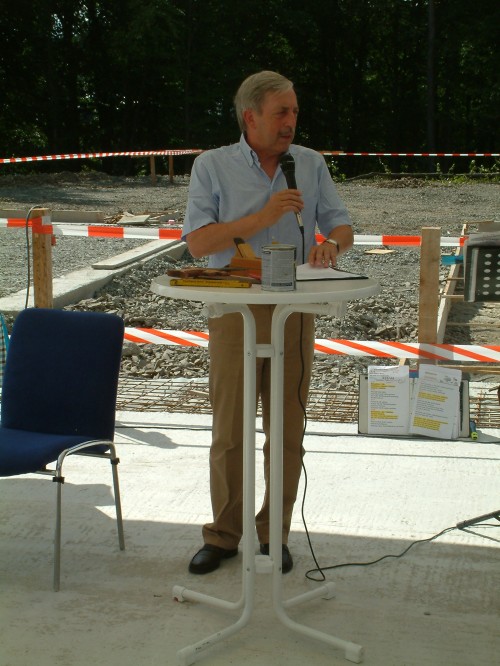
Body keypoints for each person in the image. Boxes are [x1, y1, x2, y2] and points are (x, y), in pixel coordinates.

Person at [182, 70, 353, 575]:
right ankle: (223, 535)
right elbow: (199, 244)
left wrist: (331, 245)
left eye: (295, 111)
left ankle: (273, 535)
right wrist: (263, 214)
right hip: (234, 307)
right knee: (229, 429)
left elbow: (341, 223)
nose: (291, 122)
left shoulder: (311, 164)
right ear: (249, 116)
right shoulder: (212, 166)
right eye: (282, 112)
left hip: (293, 310)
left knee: (286, 430)